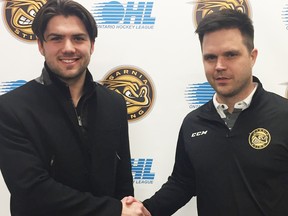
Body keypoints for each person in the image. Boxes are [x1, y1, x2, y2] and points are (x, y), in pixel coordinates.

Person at [126, 9, 288, 215]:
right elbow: (183, 183)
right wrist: (145, 210)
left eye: (230, 55)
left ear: (252, 56)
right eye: (210, 57)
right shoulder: (194, 123)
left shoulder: (283, 116)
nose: (219, 66)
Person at [0, 0, 149, 215]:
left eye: (78, 38)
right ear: (41, 45)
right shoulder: (11, 109)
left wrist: (125, 207)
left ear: (92, 44)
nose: (68, 48)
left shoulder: (114, 103)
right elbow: (31, 190)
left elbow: (123, 183)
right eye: (56, 38)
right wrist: (113, 210)